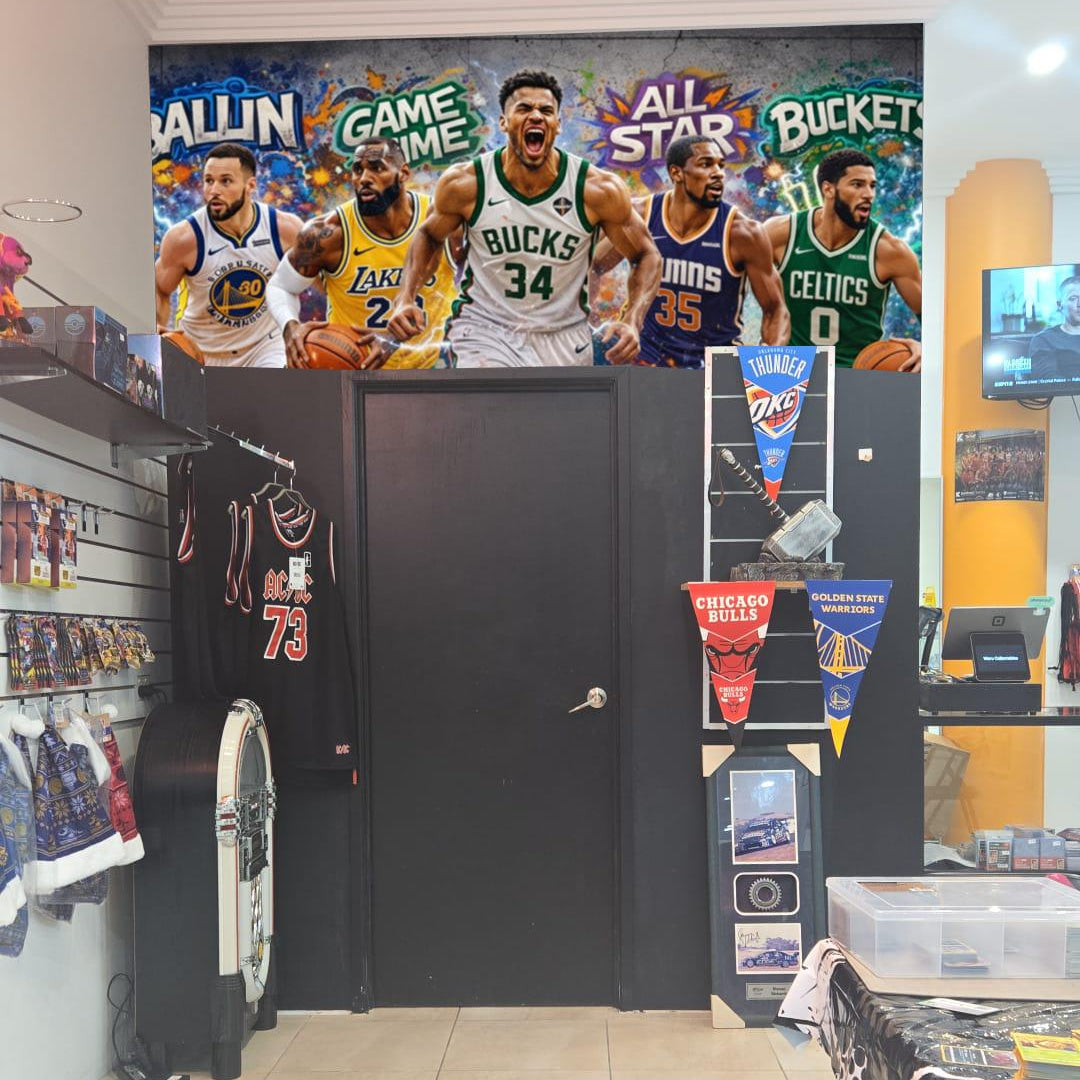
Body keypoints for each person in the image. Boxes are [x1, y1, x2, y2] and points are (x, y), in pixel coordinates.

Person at [387, 69, 660, 367]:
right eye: (524, 108)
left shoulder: (596, 189)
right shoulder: (467, 183)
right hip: (485, 329)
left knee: (553, 415)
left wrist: (633, 320)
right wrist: (405, 298)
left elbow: (646, 254)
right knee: (496, 409)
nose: (536, 116)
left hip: (564, 336)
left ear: (557, 124)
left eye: (546, 111)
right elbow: (429, 234)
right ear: (504, 122)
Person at [591, 136, 789, 367]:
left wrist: (770, 363)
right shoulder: (640, 216)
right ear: (676, 173)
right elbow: (594, 267)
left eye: (720, 165)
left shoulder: (743, 233)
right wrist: (586, 319)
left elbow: (775, 309)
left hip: (711, 366)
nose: (718, 173)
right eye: (706, 164)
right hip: (646, 359)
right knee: (601, 340)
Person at [265, 137, 457, 369]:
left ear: (403, 173)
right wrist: (290, 325)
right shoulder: (328, 233)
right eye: (358, 170)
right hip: (355, 368)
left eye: (377, 168)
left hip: (431, 367)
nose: (364, 178)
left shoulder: (441, 220)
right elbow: (280, 286)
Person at [763, 148, 923, 370]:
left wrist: (925, 347)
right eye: (857, 184)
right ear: (828, 189)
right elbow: (733, 281)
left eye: (872, 185)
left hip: (856, 377)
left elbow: (934, 319)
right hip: (790, 373)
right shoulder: (782, 233)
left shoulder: (889, 250)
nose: (869, 194)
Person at [155, 143, 301, 367]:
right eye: (208, 180)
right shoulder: (184, 238)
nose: (214, 190)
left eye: (225, 181)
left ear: (250, 185)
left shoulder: (284, 229)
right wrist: (155, 330)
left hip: (264, 346)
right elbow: (160, 289)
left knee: (270, 398)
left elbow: (317, 277)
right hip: (200, 349)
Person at [1030, 276, 1080, 380]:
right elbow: (1048, 379)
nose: (1079, 304)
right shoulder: (1044, 340)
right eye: (1073, 298)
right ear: (1059, 304)